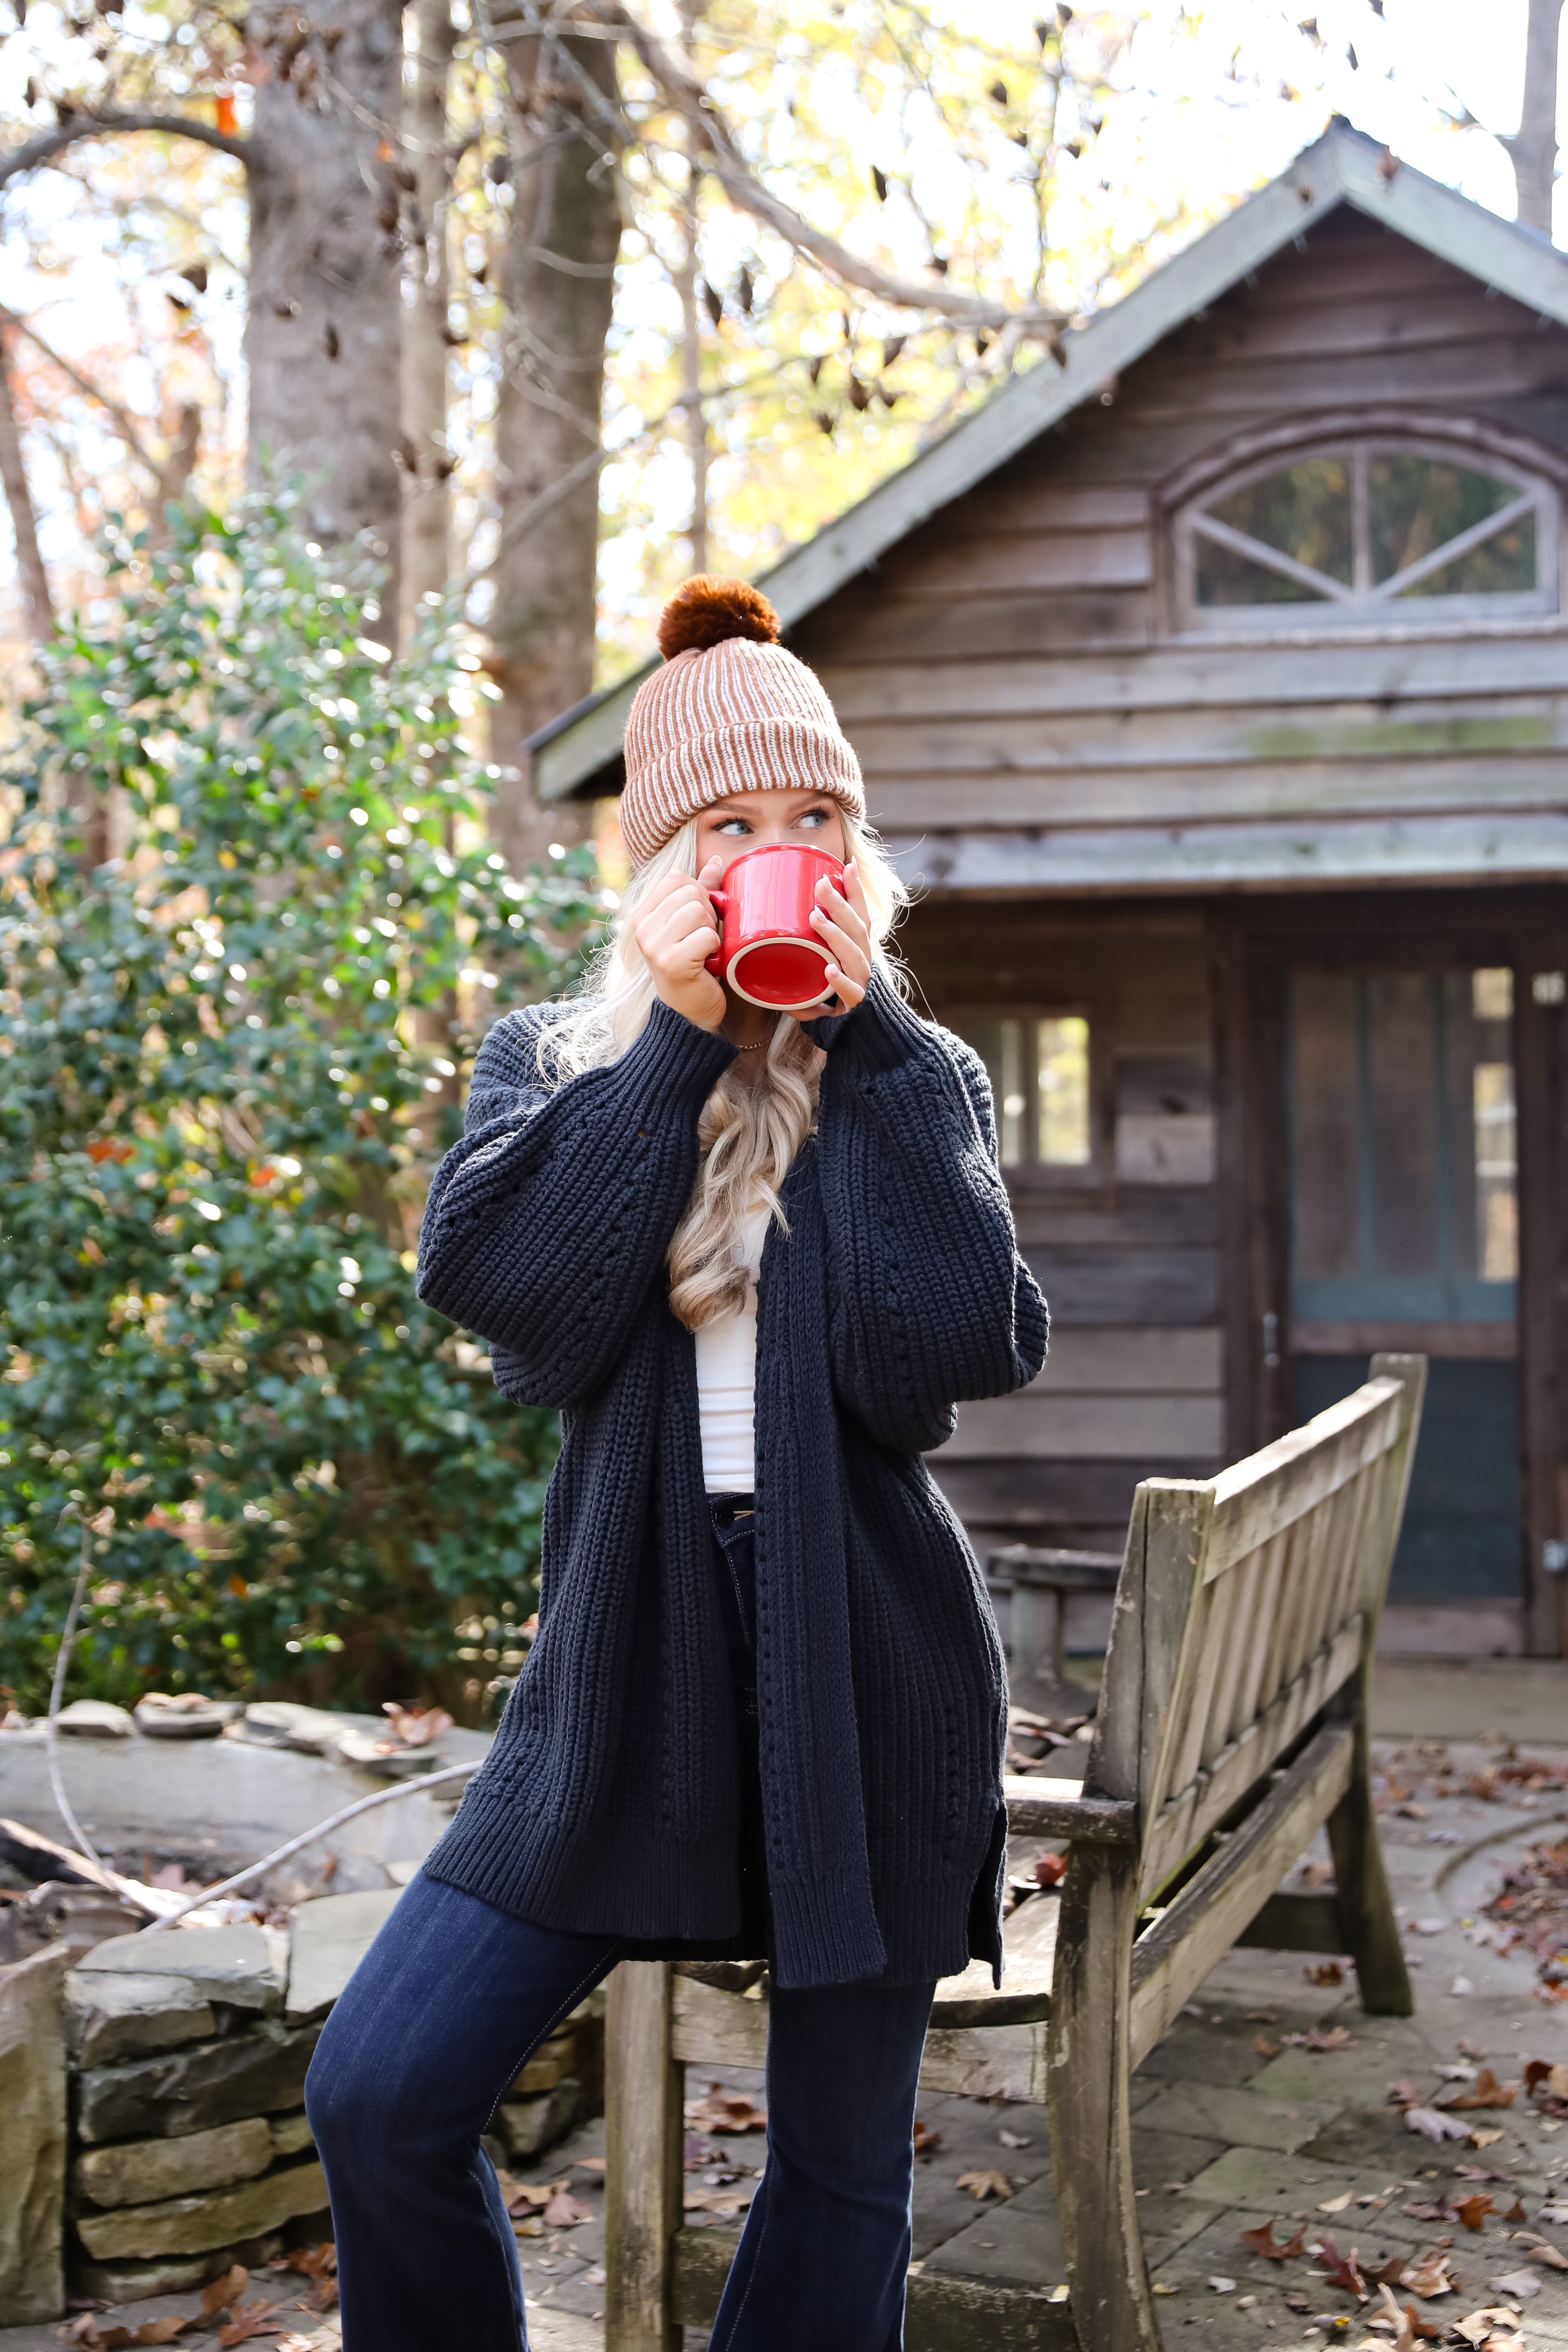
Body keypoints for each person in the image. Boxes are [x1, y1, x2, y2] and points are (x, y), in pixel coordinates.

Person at [304, 574, 1050, 2352]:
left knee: (842, 2169)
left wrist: (859, 1053)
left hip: (868, 1667)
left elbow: (946, 1360)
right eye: (732, 823)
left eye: (815, 821)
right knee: (381, 2090)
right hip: (625, 1669)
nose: (780, 851)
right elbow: (517, 1314)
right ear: (658, 862)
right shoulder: (555, 1064)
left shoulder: (911, 1077)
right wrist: (675, 1046)